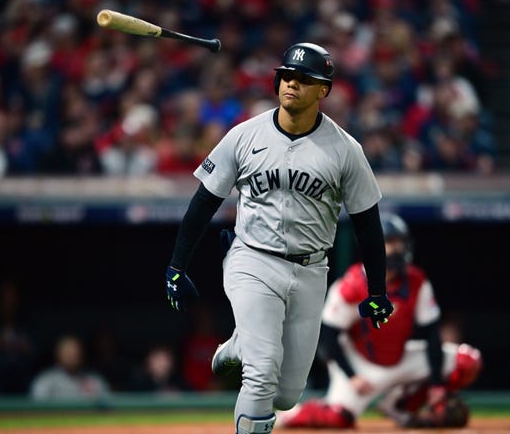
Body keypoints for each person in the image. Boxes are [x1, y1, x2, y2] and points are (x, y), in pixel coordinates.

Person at [164, 42, 394, 434]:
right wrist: (176, 265)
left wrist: (377, 290)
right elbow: (203, 203)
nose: (292, 84)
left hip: (311, 269)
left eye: (304, 79)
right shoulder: (244, 136)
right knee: (262, 372)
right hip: (252, 259)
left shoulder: (345, 150)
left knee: (287, 394)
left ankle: (238, 345)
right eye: (287, 75)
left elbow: (367, 224)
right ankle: (248, 358)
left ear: (323, 90)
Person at [276, 213, 482, 429]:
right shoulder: (352, 285)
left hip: (401, 359)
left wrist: (437, 386)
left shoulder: (416, 281)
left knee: (467, 361)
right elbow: (329, 336)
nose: (397, 249)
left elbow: (431, 335)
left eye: (399, 243)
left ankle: (400, 406)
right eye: (390, 243)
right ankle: (292, 414)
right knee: (337, 419)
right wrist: (352, 376)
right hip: (360, 366)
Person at [29, 335, 110, 401]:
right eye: (68, 353)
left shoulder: (93, 379)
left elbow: (109, 402)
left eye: (76, 353)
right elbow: (36, 406)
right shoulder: (46, 380)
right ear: (58, 355)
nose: (73, 356)